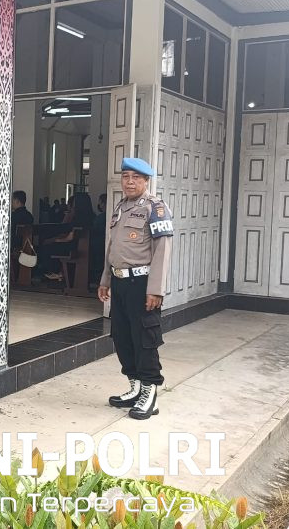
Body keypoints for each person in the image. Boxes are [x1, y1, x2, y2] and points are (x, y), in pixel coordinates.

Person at [98, 158, 173, 420]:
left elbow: (162, 251)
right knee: (122, 337)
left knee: (144, 339)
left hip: (142, 285)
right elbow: (113, 248)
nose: (129, 182)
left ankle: (149, 392)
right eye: (126, 176)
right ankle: (136, 387)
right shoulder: (120, 207)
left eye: (136, 178)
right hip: (119, 282)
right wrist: (106, 279)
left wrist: (156, 289)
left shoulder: (156, 208)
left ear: (146, 181)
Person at [37, 192, 95, 281]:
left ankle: (54, 272)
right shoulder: (91, 217)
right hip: (83, 246)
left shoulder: (78, 218)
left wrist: (56, 240)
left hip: (74, 247)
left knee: (46, 247)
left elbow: (69, 237)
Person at [90, 193, 107, 284]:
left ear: (103, 203)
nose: (99, 204)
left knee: (98, 263)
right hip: (104, 243)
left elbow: (94, 229)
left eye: (100, 202)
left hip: (98, 243)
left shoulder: (101, 217)